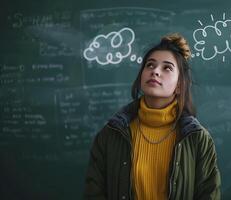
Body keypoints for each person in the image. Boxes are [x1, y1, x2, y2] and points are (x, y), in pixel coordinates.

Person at [84, 33, 221, 200]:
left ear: (179, 85)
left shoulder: (198, 139)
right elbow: (94, 194)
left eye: (167, 68)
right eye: (150, 65)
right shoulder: (111, 135)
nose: (155, 71)